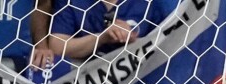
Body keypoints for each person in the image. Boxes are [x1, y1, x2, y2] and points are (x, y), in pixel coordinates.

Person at [48, 0, 178, 60]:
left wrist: (131, 40)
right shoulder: (72, 2)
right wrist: (101, 38)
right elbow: (57, 46)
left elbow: (165, 46)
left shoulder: (148, 4)